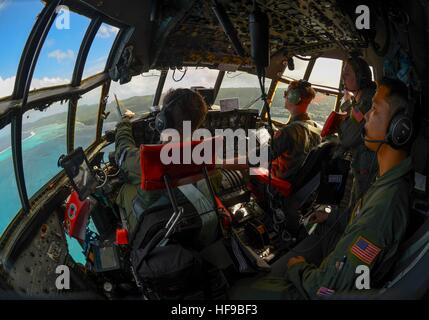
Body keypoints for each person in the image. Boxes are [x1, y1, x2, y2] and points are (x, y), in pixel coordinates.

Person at [229, 77, 414, 299]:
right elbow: (361, 224)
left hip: (315, 286)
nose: (365, 115)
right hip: (326, 254)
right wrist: (332, 216)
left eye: (374, 109)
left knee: (237, 291)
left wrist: (298, 267)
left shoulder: (386, 206)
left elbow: (326, 288)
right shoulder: (387, 183)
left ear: (399, 129)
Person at [114, 88, 208, 235]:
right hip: (194, 217)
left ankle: (129, 234)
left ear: (162, 121)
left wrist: (123, 124)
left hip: (159, 224)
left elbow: (123, 153)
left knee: (124, 188)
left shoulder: (151, 160)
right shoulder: (206, 153)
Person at [335, 56, 378, 210]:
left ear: (360, 77)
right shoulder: (363, 97)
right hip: (361, 162)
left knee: (356, 209)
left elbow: (348, 137)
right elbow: (356, 119)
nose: (343, 77)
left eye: (347, 73)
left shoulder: (367, 100)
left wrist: (347, 104)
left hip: (366, 167)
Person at [270, 80, 322, 180]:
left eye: (286, 93)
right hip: (298, 182)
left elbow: (258, 158)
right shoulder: (316, 128)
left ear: (294, 98)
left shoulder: (289, 131)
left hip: (278, 184)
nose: (284, 97)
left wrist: (230, 163)